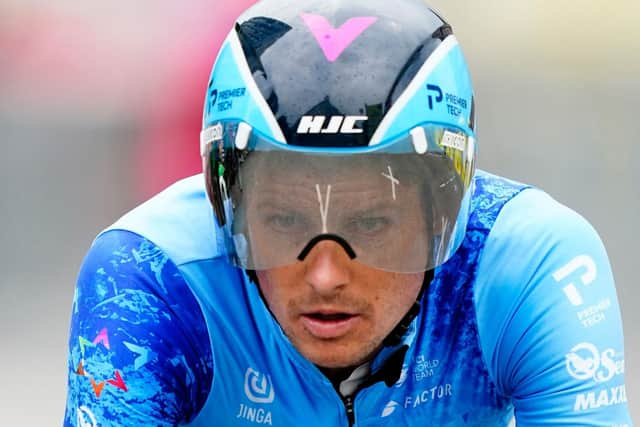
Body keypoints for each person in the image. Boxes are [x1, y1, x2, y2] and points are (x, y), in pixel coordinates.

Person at [63, 0, 633, 425]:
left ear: (445, 210)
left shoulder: (531, 262)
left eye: (372, 223)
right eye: (285, 221)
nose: (326, 275)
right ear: (226, 203)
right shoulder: (150, 275)